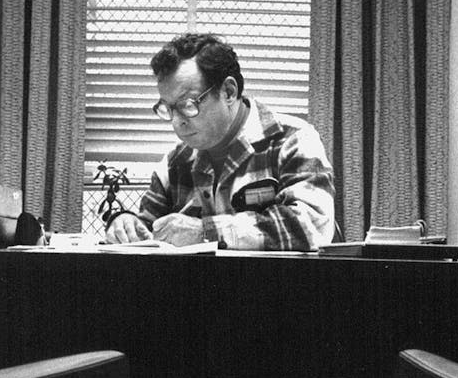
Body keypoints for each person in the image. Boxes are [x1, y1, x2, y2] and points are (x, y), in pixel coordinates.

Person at [103, 33, 337, 250]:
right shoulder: (173, 164)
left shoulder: (293, 140)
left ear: (228, 92)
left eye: (188, 105)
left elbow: (310, 226)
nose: (177, 123)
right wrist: (126, 223)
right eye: (168, 108)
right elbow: (148, 231)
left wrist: (205, 232)